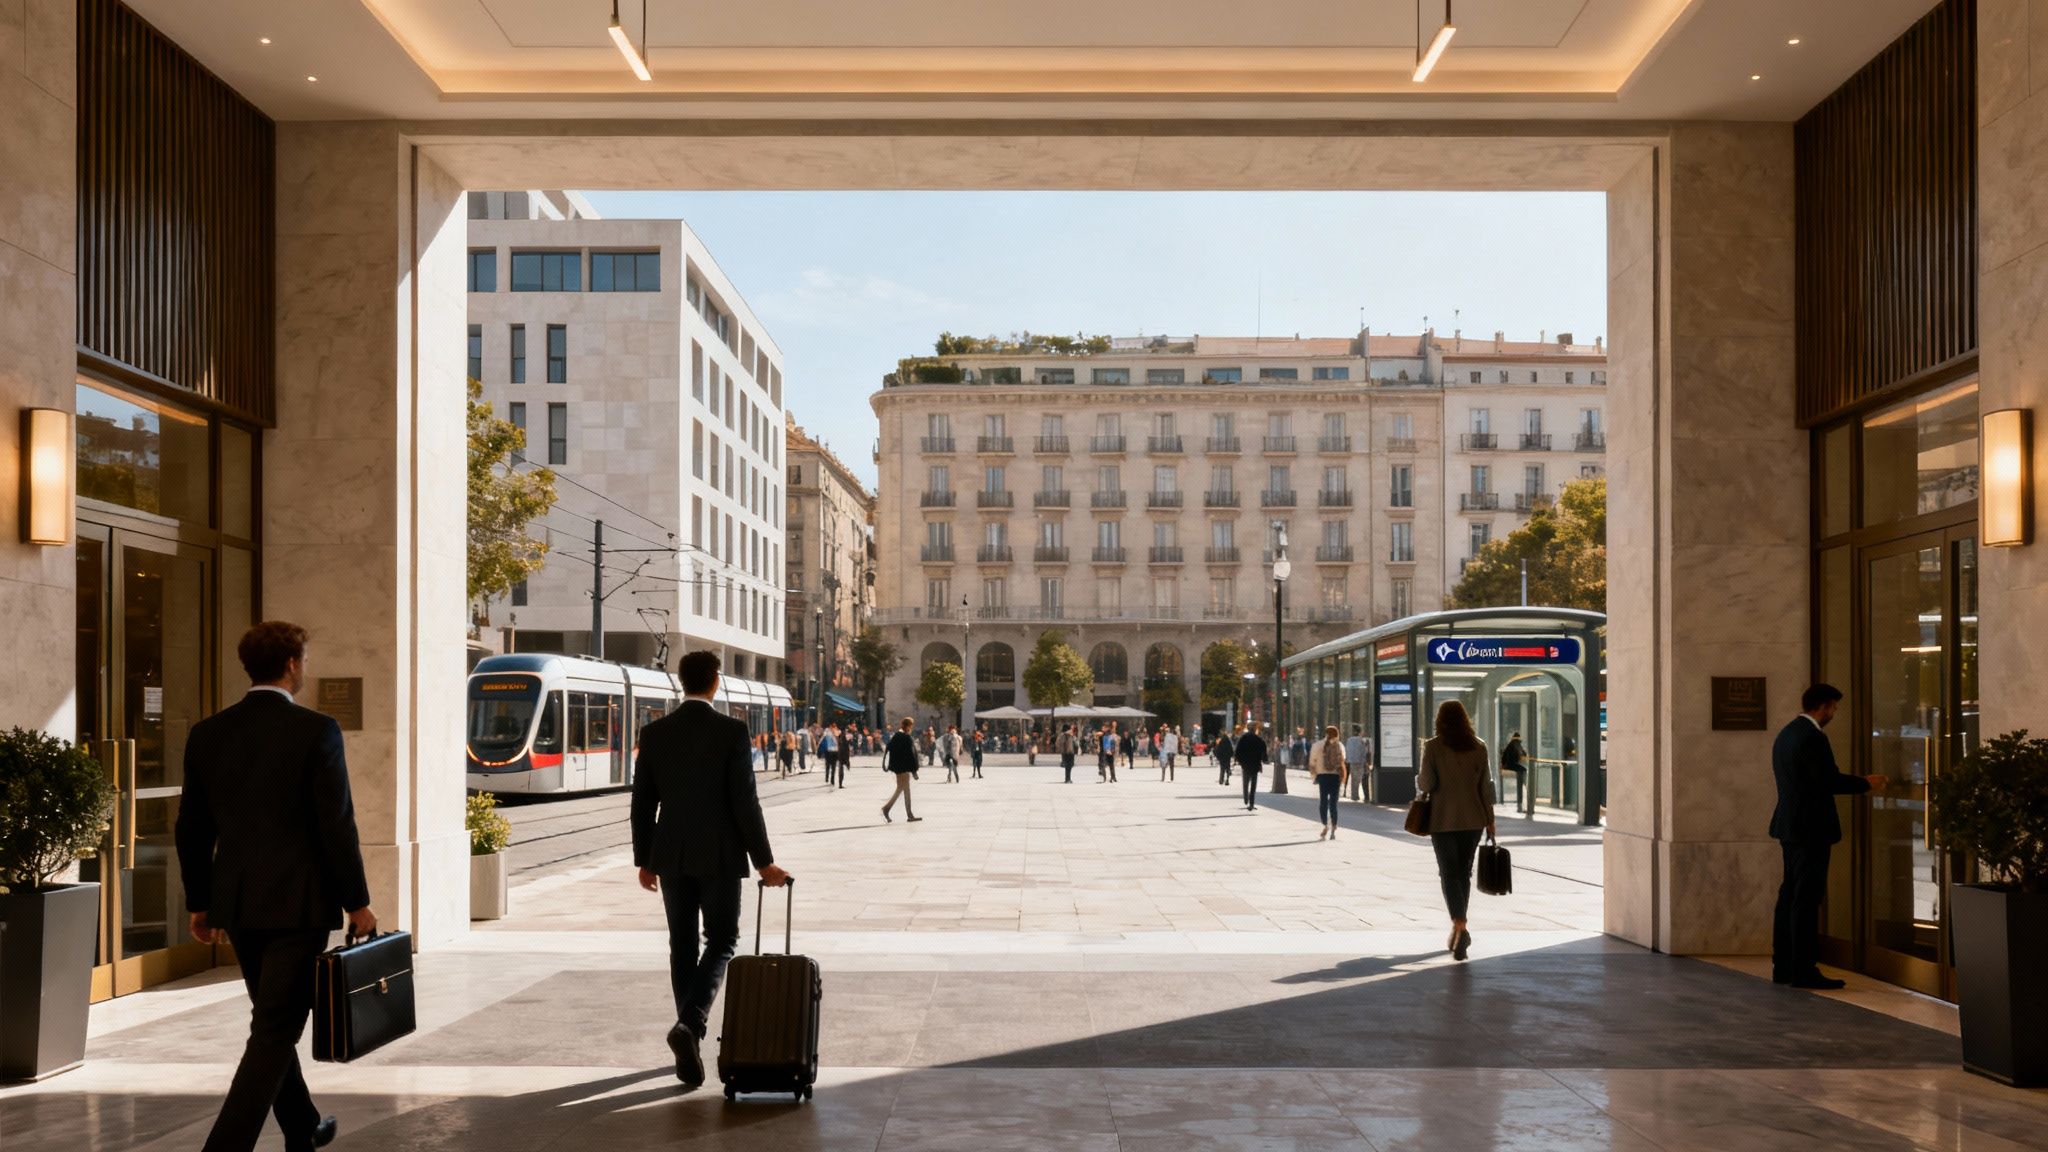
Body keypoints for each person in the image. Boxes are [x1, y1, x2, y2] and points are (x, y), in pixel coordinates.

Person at [174, 621, 374, 1152]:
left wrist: (200, 902)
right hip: (299, 906)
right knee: (273, 1031)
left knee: (272, 1020)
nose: (305, 668)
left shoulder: (209, 733)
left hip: (238, 904)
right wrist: (357, 902)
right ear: (290, 664)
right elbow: (336, 824)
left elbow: (192, 827)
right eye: (304, 659)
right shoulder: (316, 730)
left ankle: (303, 1126)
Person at [632, 650, 791, 1087]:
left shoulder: (655, 733)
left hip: (671, 855)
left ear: (681, 681)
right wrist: (764, 862)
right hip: (720, 854)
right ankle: (691, 1025)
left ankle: (688, 1040)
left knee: (681, 946)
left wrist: (644, 860)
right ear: (715, 682)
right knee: (722, 939)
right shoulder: (731, 731)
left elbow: (642, 804)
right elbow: (745, 802)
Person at [1771, 683, 1884, 989]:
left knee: (1790, 895)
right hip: (1811, 828)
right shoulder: (1812, 737)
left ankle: (1784, 966)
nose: (1834, 713)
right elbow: (1827, 780)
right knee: (1806, 899)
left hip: (1790, 826)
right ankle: (1803, 970)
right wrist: (1865, 783)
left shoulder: (1786, 734)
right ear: (1823, 706)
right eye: (1834, 707)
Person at [1417, 700, 1494, 962]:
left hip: (1443, 819)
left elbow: (1427, 783)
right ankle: (1459, 928)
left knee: (1448, 874)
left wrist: (1421, 775)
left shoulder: (1433, 747)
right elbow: (1486, 787)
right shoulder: (1479, 746)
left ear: (1440, 720)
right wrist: (1490, 819)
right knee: (1464, 873)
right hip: (1474, 819)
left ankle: (1460, 925)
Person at [1310, 725, 1349, 840]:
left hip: (1323, 776)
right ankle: (1334, 828)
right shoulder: (1340, 745)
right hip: (1336, 777)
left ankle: (1325, 824)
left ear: (1325, 733)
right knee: (1333, 803)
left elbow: (1312, 762)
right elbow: (1343, 760)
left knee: (1323, 801)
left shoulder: (1318, 745)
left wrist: (1314, 776)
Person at [883, 717, 923, 822]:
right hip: (904, 769)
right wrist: (914, 770)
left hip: (897, 768)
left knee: (904, 790)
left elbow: (889, 749)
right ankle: (887, 808)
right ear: (909, 726)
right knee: (902, 790)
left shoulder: (896, 736)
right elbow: (911, 755)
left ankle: (909, 814)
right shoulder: (906, 737)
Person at [1235, 722, 1268, 810]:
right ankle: (1251, 803)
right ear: (1255, 729)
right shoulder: (1259, 739)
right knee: (1253, 785)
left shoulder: (1243, 738)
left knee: (1245, 784)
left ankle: (1246, 798)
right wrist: (1264, 760)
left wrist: (1240, 762)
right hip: (1255, 766)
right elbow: (1264, 751)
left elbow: (1237, 752)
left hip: (1245, 765)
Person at [1499, 730, 1528, 816]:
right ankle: (1524, 783)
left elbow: (1504, 758)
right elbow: (1524, 754)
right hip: (1511, 765)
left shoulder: (1510, 745)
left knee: (1522, 770)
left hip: (1508, 765)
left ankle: (1524, 783)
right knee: (1523, 770)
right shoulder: (1516, 746)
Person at [1344, 724, 1373, 803]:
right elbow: (1365, 751)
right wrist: (1367, 762)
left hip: (1352, 762)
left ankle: (1354, 795)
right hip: (1361, 762)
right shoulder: (1363, 740)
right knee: (1363, 779)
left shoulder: (1349, 740)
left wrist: (1348, 760)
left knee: (1354, 779)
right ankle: (1366, 796)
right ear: (1360, 731)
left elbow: (1347, 751)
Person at [818, 723, 839, 787]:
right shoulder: (829, 732)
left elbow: (820, 741)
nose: (834, 728)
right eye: (833, 726)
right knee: (830, 766)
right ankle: (829, 778)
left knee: (831, 766)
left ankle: (830, 779)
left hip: (832, 751)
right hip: (831, 751)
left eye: (834, 726)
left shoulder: (830, 732)